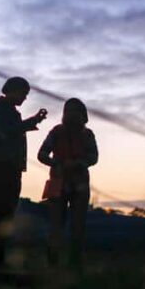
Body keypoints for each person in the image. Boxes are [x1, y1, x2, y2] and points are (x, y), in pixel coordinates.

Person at [0, 76, 47, 268]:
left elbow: (10, 131)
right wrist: (31, 122)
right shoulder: (0, 109)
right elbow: (6, 132)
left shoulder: (6, 111)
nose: (24, 98)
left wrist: (30, 122)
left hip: (7, 164)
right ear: (13, 90)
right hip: (0, 164)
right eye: (23, 93)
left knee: (2, 211)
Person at [37, 98, 98, 268]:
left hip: (80, 184)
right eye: (69, 111)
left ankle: (74, 262)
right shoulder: (56, 132)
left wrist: (78, 163)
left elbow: (94, 157)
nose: (72, 115)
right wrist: (58, 164)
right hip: (58, 182)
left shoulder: (88, 134)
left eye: (75, 112)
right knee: (56, 224)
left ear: (82, 115)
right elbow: (42, 154)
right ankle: (53, 263)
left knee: (78, 225)